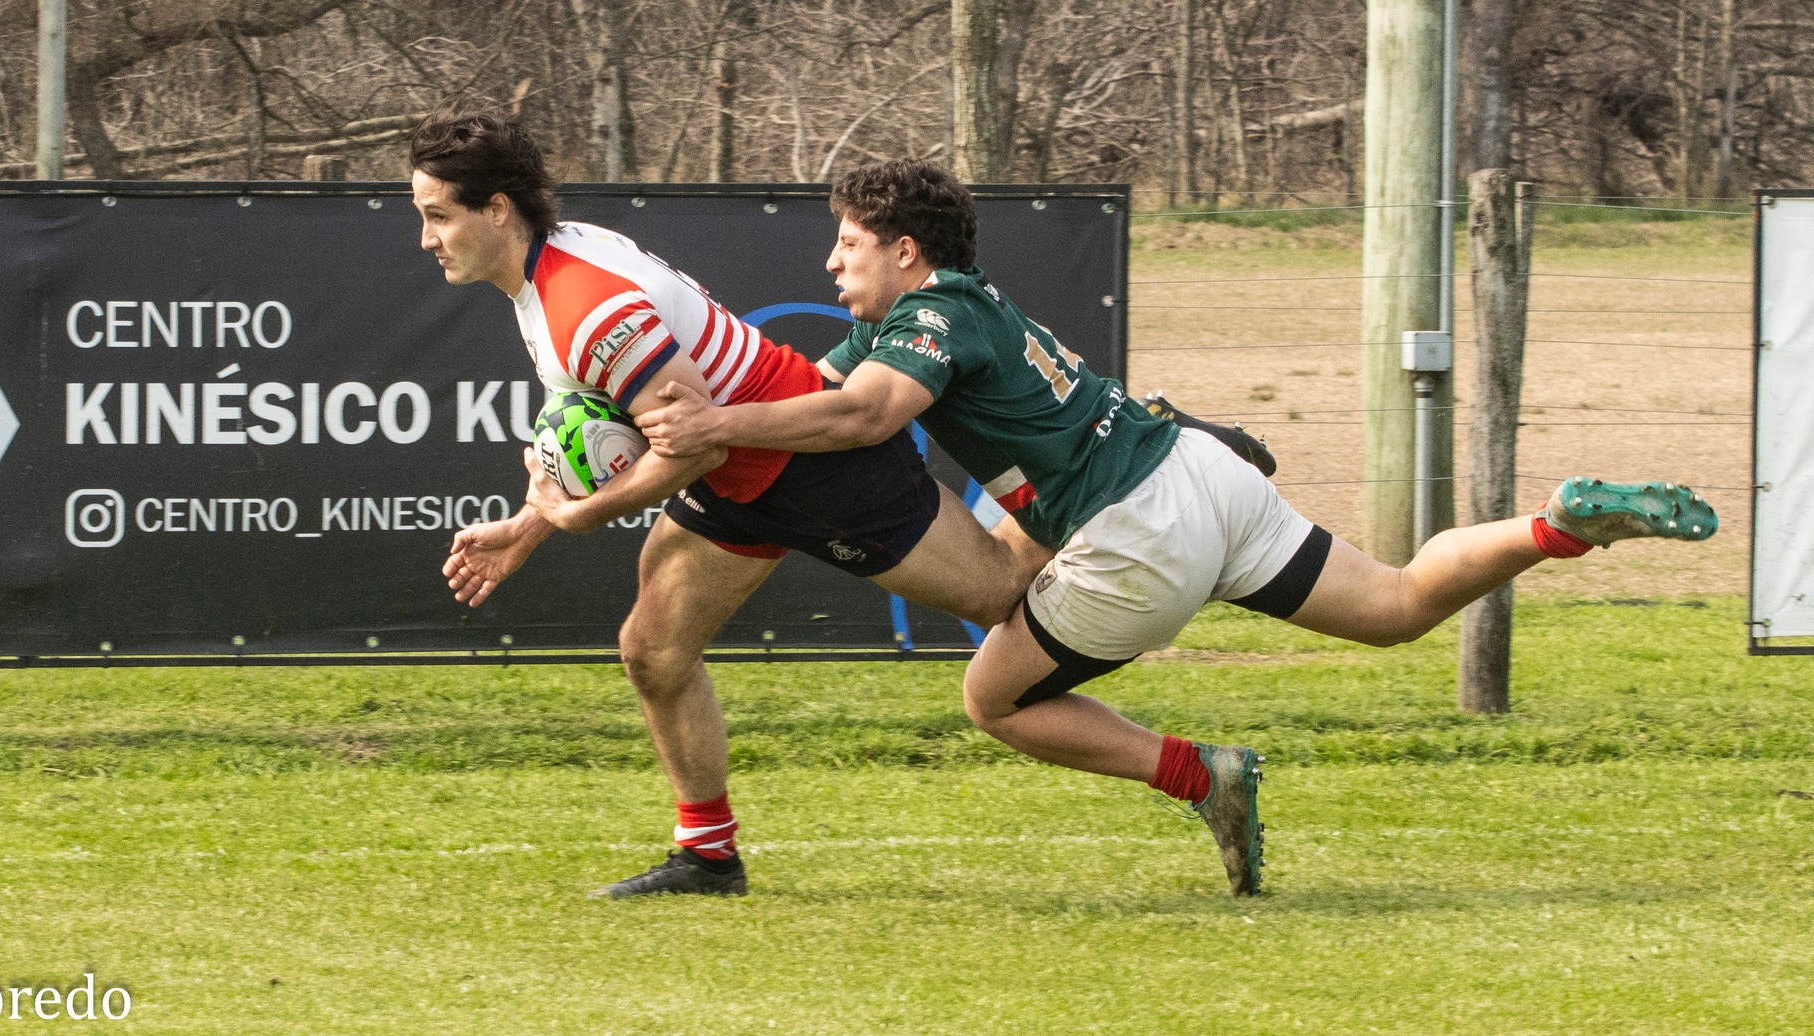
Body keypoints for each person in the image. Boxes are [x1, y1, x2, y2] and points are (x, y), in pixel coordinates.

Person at [637, 159, 1719, 896]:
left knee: (993, 696)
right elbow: (815, 394)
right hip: (1197, 473)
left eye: (848, 243)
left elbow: (862, 416)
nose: (831, 264)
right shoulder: (972, 307)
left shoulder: (931, 316)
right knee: (1394, 605)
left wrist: (711, 418)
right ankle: (1556, 526)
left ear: (908, 252)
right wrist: (601, 486)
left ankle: (1204, 776)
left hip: (1137, 527)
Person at [410, 116, 1049, 899]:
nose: (426, 238)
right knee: (653, 649)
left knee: (1003, 590)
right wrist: (529, 524)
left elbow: (696, 443)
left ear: (498, 210)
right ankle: (709, 858)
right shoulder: (550, 270)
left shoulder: (583, 304)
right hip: (735, 479)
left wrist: (580, 517)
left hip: (811, 463)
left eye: (439, 215)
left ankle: (1086, 480)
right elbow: (583, 428)